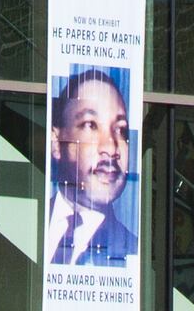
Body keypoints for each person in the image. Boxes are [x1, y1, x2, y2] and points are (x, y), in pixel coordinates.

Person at [45, 66, 136, 269]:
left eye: (120, 130)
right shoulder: (26, 226)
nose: (111, 148)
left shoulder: (135, 255)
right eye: (91, 125)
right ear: (56, 142)